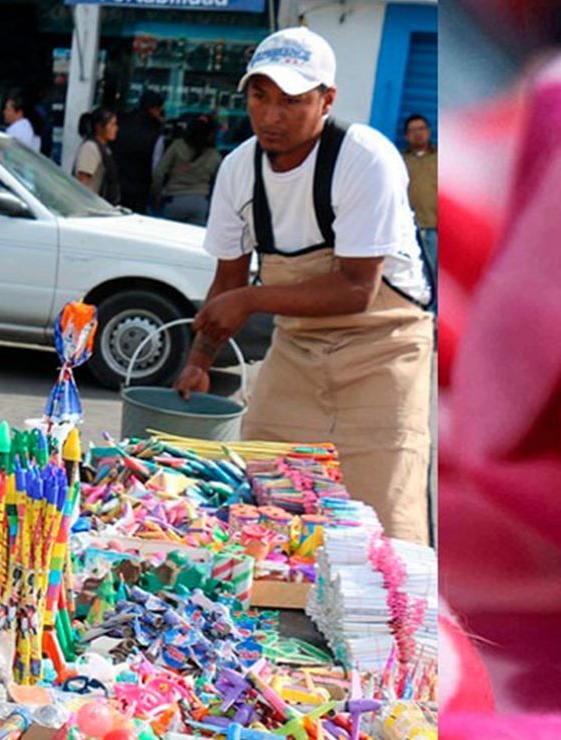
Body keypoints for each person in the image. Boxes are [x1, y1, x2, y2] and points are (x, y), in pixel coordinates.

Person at [173, 28, 435, 544]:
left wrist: (250, 297)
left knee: (383, 512)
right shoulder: (237, 170)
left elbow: (358, 288)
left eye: (292, 101)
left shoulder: (365, 158)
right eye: (260, 97)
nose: (271, 116)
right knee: (266, 497)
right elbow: (228, 282)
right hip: (296, 346)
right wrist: (199, 361)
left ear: (327, 100)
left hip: (386, 347)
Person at [152, 115, 221, 226]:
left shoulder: (177, 146)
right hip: (200, 202)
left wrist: (156, 196)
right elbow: (219, 185)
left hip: (174, 200)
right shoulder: (215, 156)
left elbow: (159, 172)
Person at [114, 90, 165, 213]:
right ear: (153, 109)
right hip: (139, 190)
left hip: (115, 184)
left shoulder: (121, 123)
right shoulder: (155, 133)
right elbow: (156, 167)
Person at [402, 114, 437, 282]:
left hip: (435, 228)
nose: (418, 133)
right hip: (408, 230)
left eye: (421, 129)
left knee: (434, 277)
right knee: (411, 277)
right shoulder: (400, 160)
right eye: (413, 130)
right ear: (406, 136)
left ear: (429, 132)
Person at [73, 107, 121, 204]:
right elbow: (82, 182)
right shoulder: (90, 148)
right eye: (112, 125)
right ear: (99, 127)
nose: (116, 128)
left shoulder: (104, 148)